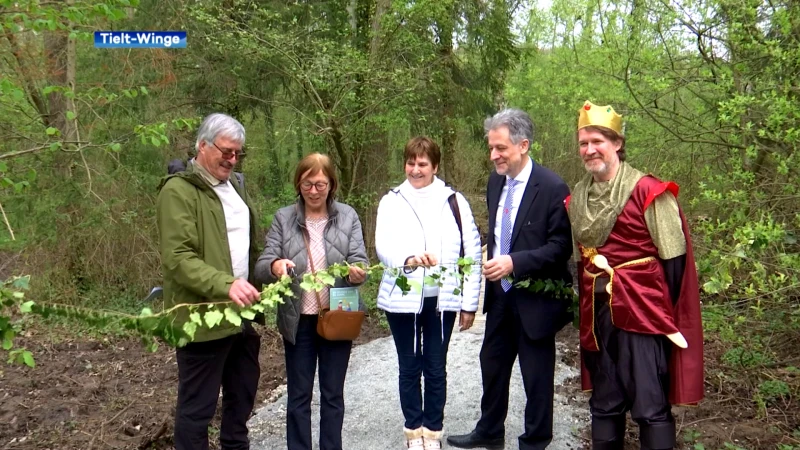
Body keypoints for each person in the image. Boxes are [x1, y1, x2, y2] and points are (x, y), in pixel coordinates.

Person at [566, 101, 704, 450]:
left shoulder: (648, 191)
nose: (589, 149)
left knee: (649, 405)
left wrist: (650, 302)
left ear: (617, 143)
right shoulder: (578, 197)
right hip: (598, 317)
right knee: (604, 401)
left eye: (597, 140)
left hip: (642, 315)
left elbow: (675, 263)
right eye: (583, 143)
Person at [448, 109, 573, 450]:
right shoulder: (495, 182)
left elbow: (561, 247)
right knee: (492, 365)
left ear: (523, 145)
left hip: (535, 302)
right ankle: (489, 431)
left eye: (500, 148)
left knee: (536, 378)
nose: (493, 156)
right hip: (500, 298)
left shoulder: (551, 186)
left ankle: (534, 441)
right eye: (491, 148)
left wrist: (514, 262)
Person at [156, 113, 262, 450]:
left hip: (240, 316)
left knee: (241, 397)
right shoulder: (179, 191)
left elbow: (244, 246)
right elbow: (178, 258)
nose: (232, 159)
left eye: (237, 154)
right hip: (201, 319)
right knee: (197, 409)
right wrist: (226, 284)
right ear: (202, 145)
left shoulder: (234, 187)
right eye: (226, 151)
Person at [255, 153, 368, 450]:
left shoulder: (348, 216)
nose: (314, 191)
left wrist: (357, 273)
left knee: (333, 396)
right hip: (298, 322)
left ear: (332, 184)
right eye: (308, 184)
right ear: (298, 184)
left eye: (320, 184)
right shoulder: (283, 218)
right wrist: (276, 266)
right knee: (299, 396)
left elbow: (360, 260)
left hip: (337, 316)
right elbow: (263, 263)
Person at [375, 136, 483, 450]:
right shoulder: (391, 200)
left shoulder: (454, 201)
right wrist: (408, 259)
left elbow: (472, 252)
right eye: (411, 162)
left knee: (435, 366)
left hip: (442, 301)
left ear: (434, 166)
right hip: (402, 299)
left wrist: (468, 303)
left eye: (423, 163)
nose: (416, 169)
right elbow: (383, 247)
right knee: (409, 366)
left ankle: (432, 432)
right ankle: (413, 431)